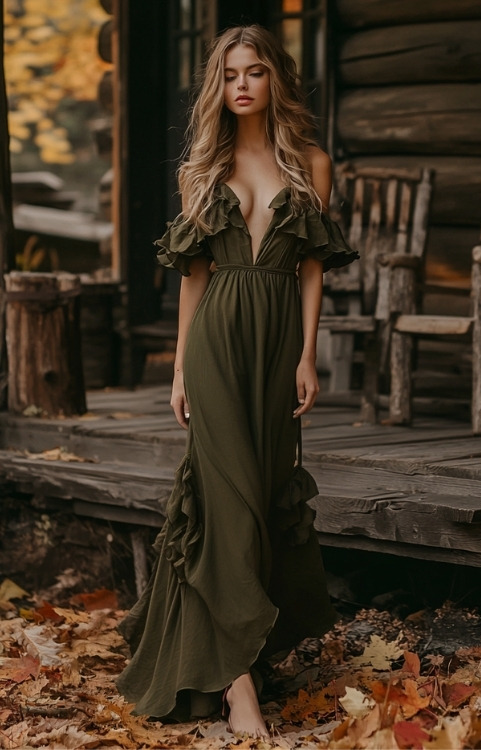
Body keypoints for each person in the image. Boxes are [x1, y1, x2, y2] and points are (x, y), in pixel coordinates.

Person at [116, 24, 358, 738]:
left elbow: (312, 267)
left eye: (255, 71)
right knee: (222, 501)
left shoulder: (312, 164)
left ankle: (239, 647)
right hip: (218, 341)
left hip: (279, 337)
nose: (242, 84)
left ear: (274, 79)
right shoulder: (202, 169)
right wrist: (182, 368)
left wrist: (308, 355)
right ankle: (239, 684)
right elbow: (196, 278)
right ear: (218, 87)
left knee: (260, 488)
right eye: (230, 74)